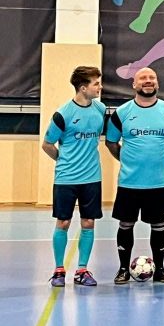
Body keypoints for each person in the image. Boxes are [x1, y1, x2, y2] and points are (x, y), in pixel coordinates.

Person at [105, 67, 164, 284]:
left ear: (157, 83)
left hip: (158, 183)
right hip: (129, 183)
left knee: (158, 225)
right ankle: (123, 269)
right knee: (125, 224)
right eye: (142, 78)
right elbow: (111, 143)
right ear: (134, 84)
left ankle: (160, 269)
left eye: (152, 78)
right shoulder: (122, 113)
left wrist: (158, 159)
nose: (148, 81)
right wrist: (128, 161)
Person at [41, 66, 106, 287]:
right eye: (96, 83)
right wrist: (64, 161)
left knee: (88, 222)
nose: (100, 87)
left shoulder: (100, 109)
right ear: (83, 88)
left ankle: (82, 270)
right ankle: (59, 270)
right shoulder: (63, 114)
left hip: (92, 178)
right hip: (66, 179)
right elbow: (47, 144)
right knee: (64, 222)